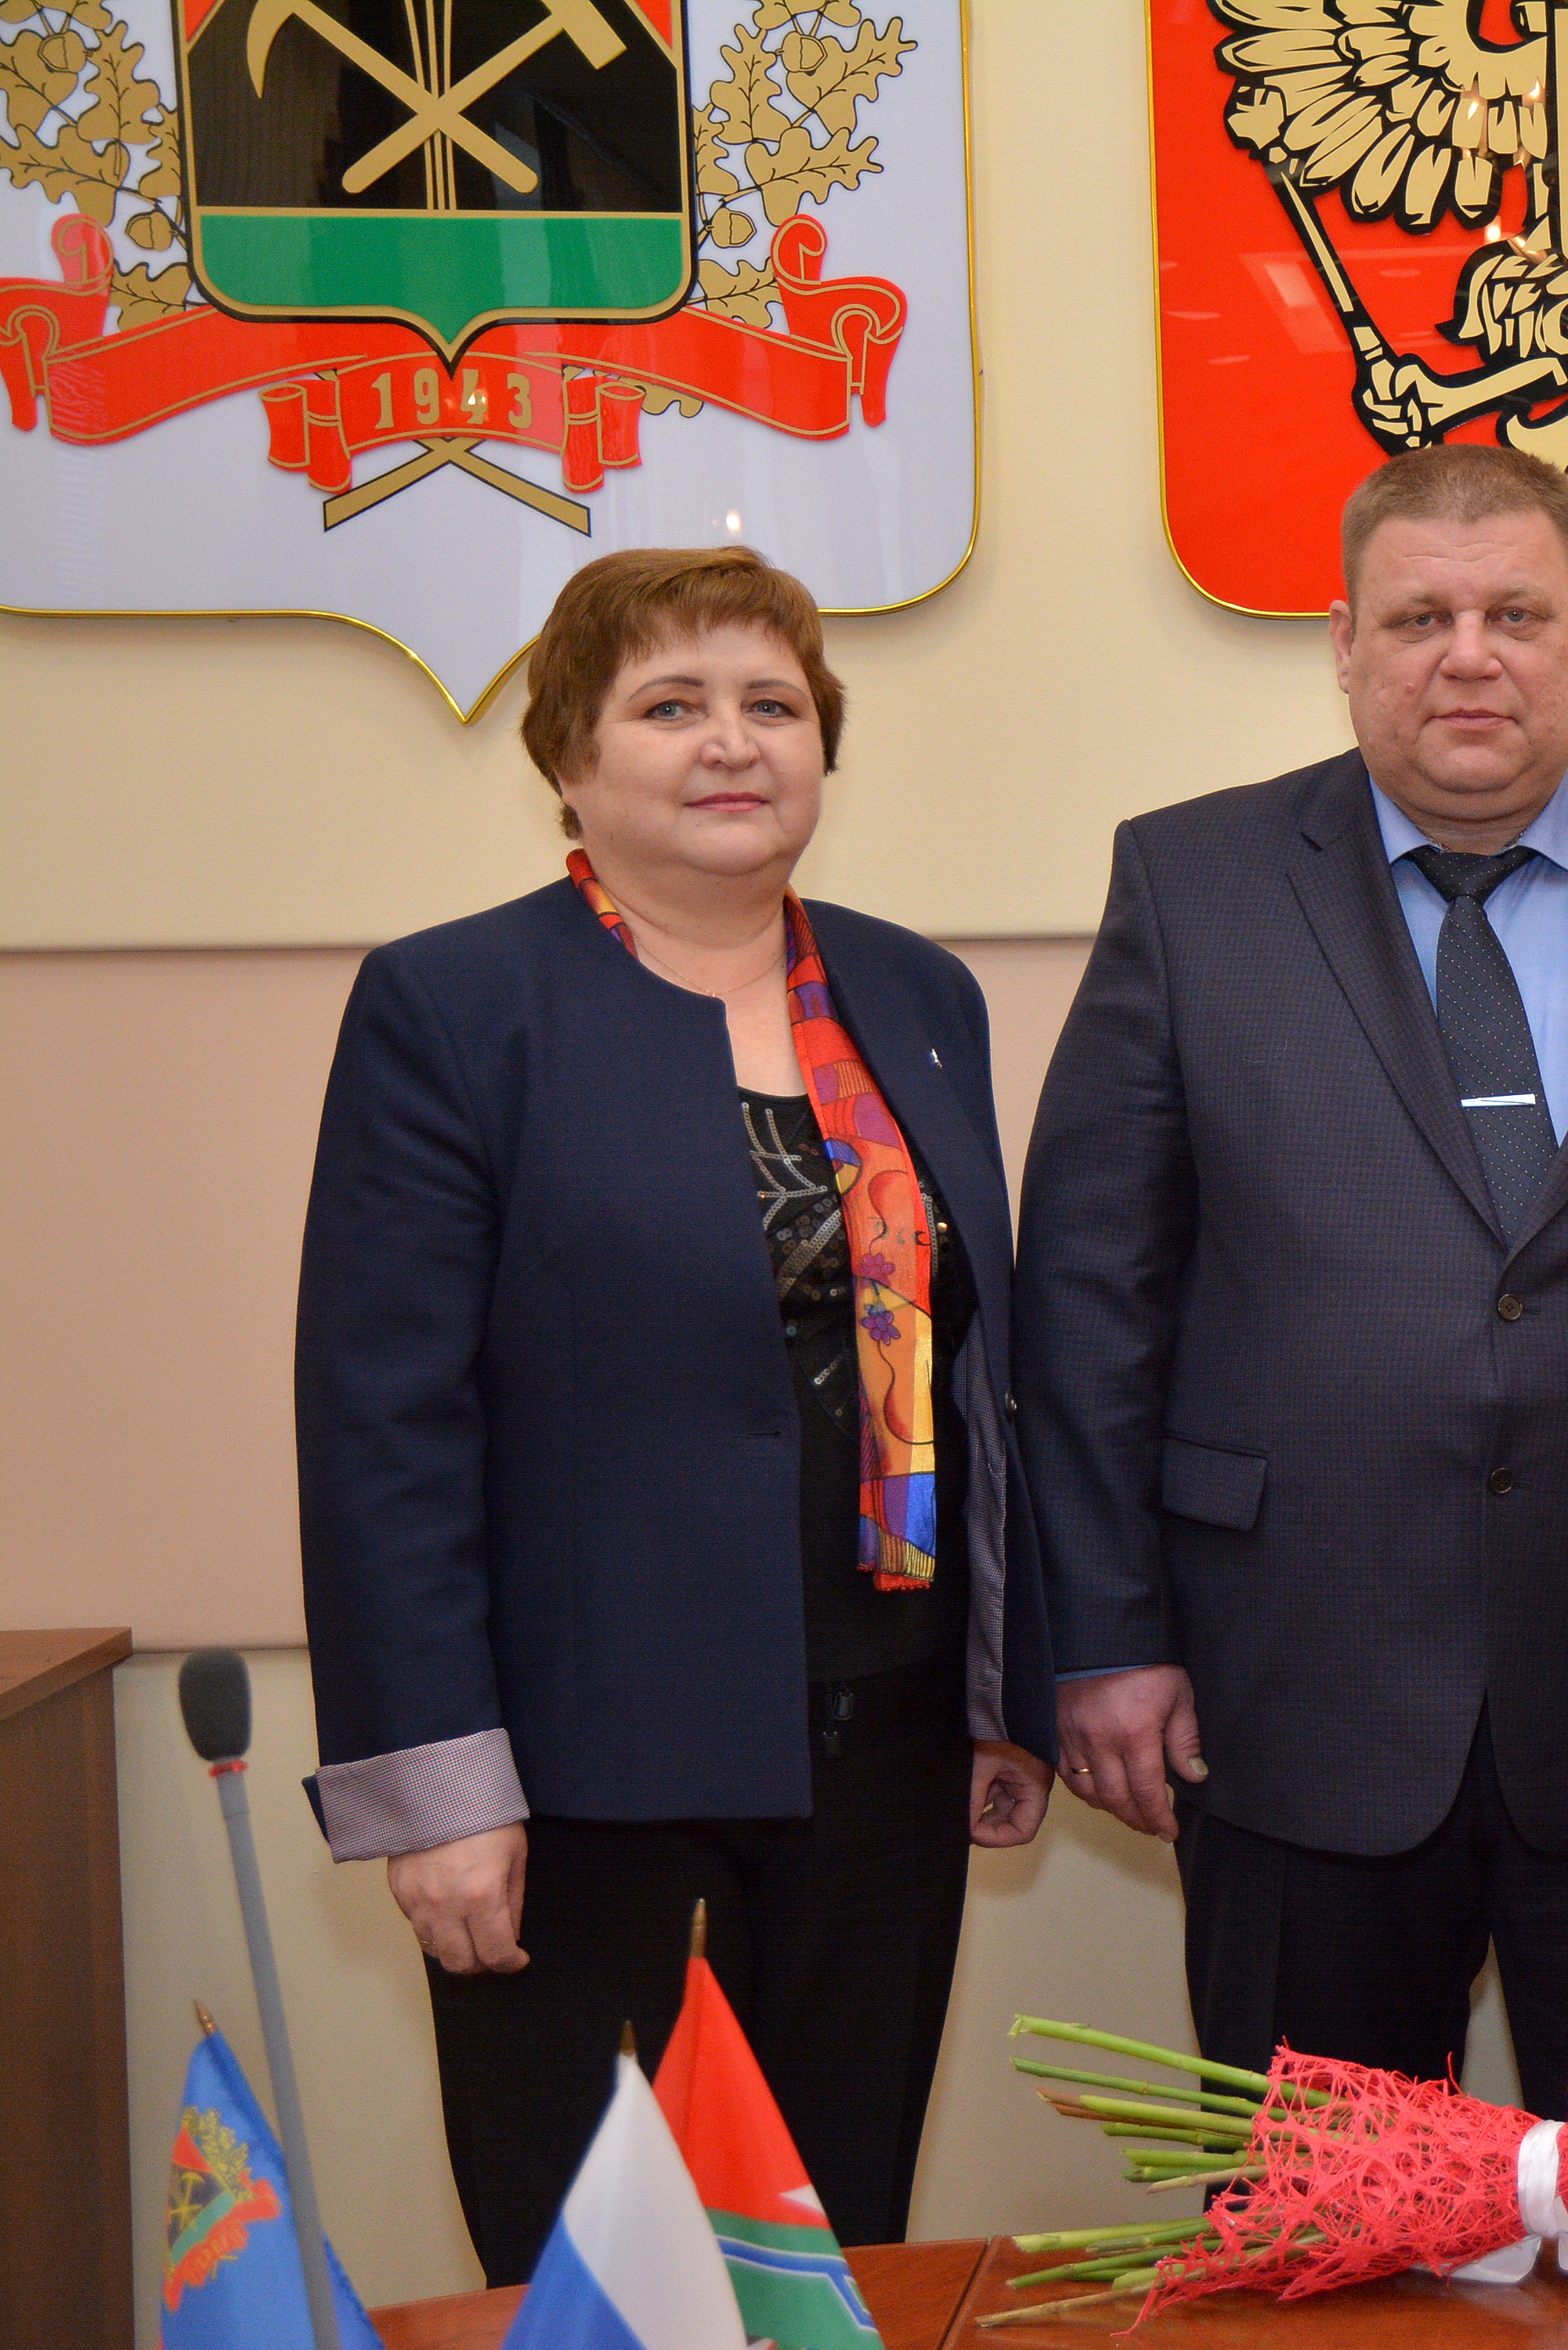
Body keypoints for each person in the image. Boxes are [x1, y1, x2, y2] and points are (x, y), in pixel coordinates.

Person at [1018, 443, 1568, 2118]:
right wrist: (1104, 1634)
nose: (1466, 654)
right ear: (1341, 643)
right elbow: (1092, 1290)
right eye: (1417, 617)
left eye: (1511, 613)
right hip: (1289, 1688)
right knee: (1315, 2239)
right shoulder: (1190, 888)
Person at [295, 546, 1054, 2283]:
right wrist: (435, 1792)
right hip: (574, 1786)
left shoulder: (915, 997)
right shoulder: (457, 1005)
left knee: (833, 2248)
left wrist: (1010, 1680)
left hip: (884, 1740)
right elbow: (382, 1420)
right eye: (671, 706)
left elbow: (979, 1370)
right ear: (570, 757)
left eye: (771, 705)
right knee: (592, 2271)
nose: (732, 743)